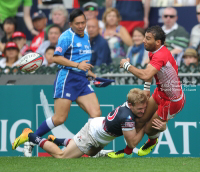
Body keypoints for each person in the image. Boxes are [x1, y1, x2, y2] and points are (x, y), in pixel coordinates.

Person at [23, 9, 101, 157]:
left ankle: (88, 147)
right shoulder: (66, 37)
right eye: (77, 23)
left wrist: (88, 73)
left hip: (82, 81)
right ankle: (32, 139)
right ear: (70, 24)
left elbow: (82, 59)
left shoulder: (86, 36)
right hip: (67, 79)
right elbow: (56, 58)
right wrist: (78, 66)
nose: (80, 26)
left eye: (83, 23)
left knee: (96, 114)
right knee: (59, 118)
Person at [12, 88, 166, 158]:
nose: (143, 111)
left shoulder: (132, 105)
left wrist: (161, 125)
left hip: (99, 130)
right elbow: (132, 144)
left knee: (91, 154)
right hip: (91, 134)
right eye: (140, 109)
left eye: (144, 108)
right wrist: (146, 128)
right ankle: (31, 136)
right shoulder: (127, 117)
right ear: (130, 105)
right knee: (62, 156)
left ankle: (55, 140)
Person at [119, 25, 185, 157]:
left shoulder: (161, 55)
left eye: (148, 38)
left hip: (172, 101)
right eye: (144, 37)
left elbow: (144, 74)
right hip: (160, 93)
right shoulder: (152, 50)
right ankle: (128, 151)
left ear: (158, 42)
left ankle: (152, 140)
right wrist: (146, 89)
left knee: (148, 129)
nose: (144, 40)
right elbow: (149, 75)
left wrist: (126, 65)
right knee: (140, 120)